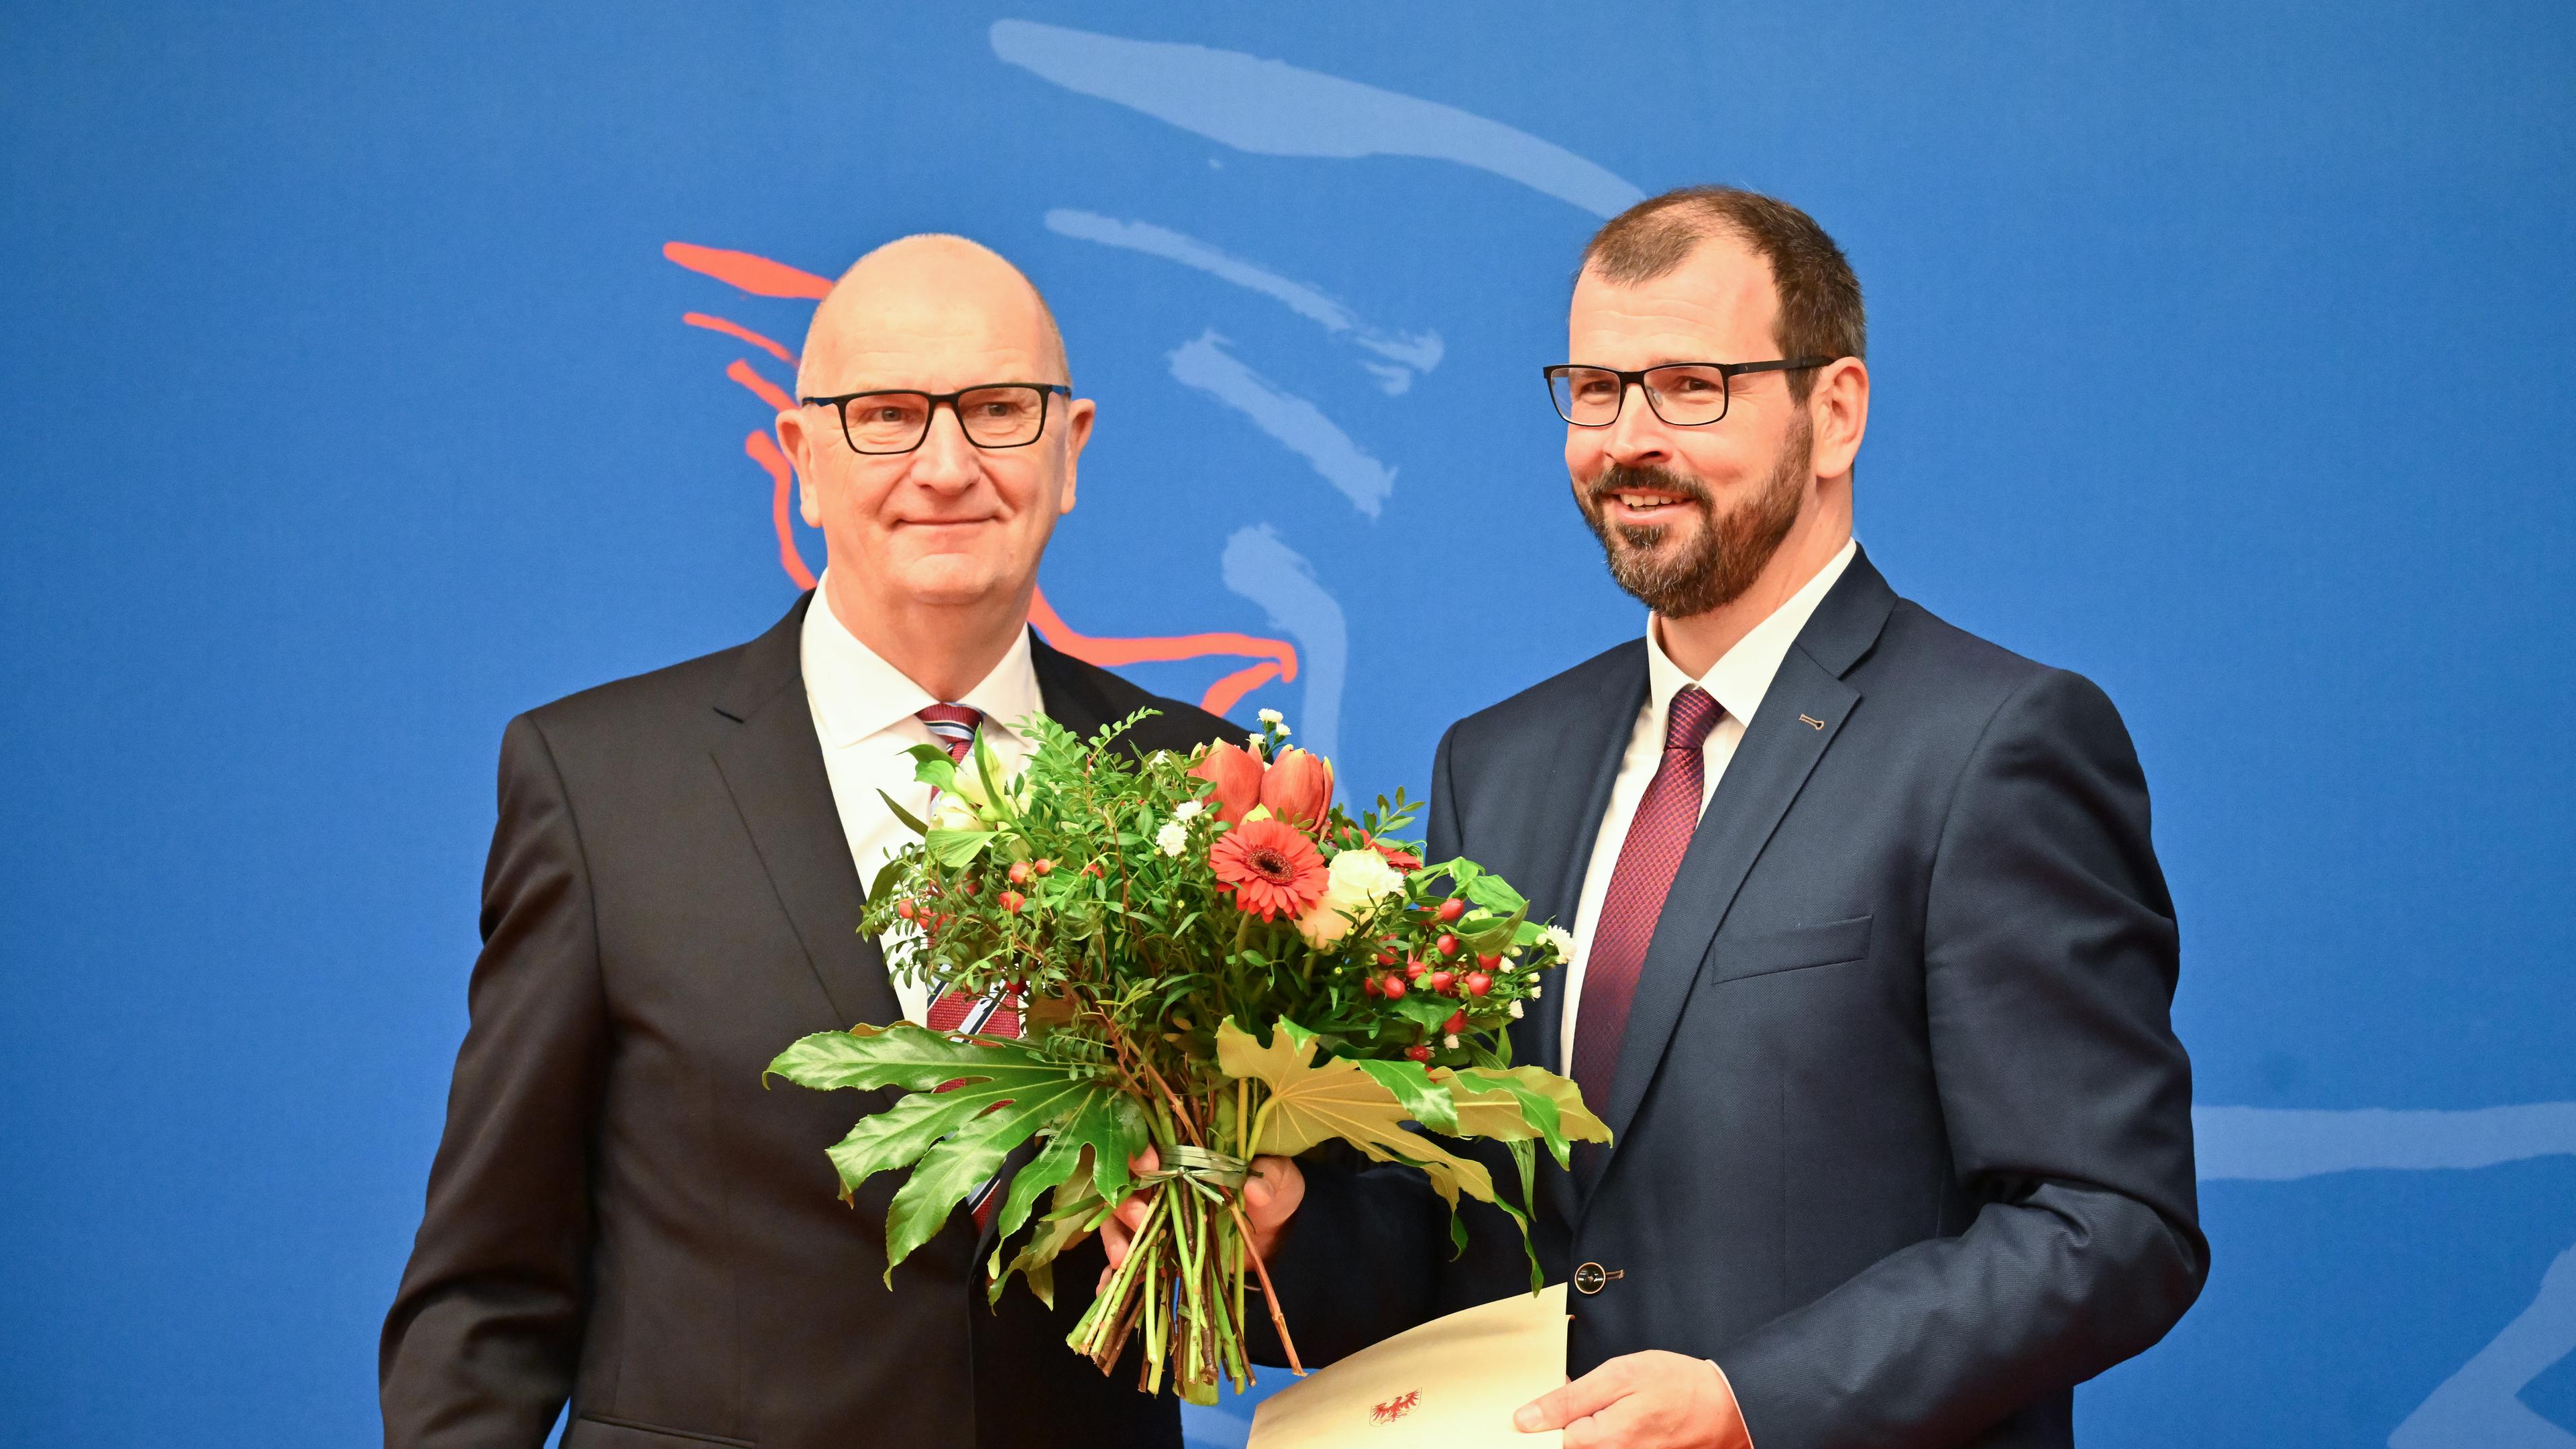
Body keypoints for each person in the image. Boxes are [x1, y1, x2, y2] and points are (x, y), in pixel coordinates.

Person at [1216, 188, 2207, 1447]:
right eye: (1595, 388)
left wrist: (1756, 1403)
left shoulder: (1994, 744)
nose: (1629, 438)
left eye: (1691, 385)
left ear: (1834, 411)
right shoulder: (1497, 763)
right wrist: (1280, 1231)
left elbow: (2108, 1224)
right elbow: (1454, 1222)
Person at [380, 235, 1233, 1449]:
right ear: (804, 460)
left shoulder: (1200, 786)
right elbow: (489, 1291)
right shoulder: (604, 786)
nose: (947, 466)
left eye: (998, 410)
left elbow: (1293, 1237)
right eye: (887, 415)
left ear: (1071, 447)